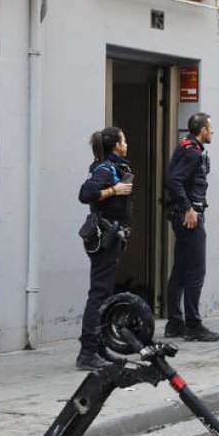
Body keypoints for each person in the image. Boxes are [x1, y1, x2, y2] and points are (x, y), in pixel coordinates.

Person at [75, 127, 134, 371]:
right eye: (124, 140)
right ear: (117, 145)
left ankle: (99, 347)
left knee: (105, 294)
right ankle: (87, 352)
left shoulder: (114, 167)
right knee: (99, 294)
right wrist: (113, 190)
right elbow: (85, 193)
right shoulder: (105, 168)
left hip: (112, 235)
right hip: (103, 236)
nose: (126, 144)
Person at [164, 112, 219, 342]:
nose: (212, 131)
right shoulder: (192, 152)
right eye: (210, 128)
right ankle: (193, 325)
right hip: (190, 218)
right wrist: (187, 208)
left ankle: (175, 324)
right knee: (196, 271)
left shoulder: (187, 148)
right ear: (203, 130)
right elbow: (173, 181)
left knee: (180, 270)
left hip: (184, 216)